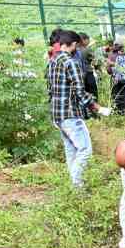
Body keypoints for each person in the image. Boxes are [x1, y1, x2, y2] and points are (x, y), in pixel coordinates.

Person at [46, 30, 110, 187]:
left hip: (57, 114)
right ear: (73, 44)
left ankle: (75, 187)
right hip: (70, 113)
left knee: (71, 150)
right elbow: (79, 91)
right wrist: (97, 107)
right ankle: (76, 185)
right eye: (77, 46)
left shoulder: (53, 61)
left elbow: (50, 88)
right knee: (85, 150)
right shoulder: (70, 62)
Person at [77, 33, 98, 101]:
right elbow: (96, 61)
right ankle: (95, 109)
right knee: (93, 93)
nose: (88, 41)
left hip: (79, 75)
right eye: (88, 39)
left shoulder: (75, 51)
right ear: (83, 40)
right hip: (88, 74)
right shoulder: (87, 50)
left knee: (84, 94)